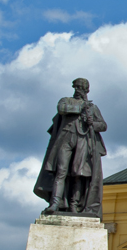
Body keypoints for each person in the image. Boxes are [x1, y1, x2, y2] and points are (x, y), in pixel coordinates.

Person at [34, 77, 108, 216]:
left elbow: (103, 125)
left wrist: (92, 123)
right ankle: (55, 203)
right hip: (66, 138)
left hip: (83, 140)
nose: (78, 90)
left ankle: (74, 206)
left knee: (79, 174)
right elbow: (62, 109)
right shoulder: (67, 101)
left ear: (87, 90)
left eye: (81, 88)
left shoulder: (92, 107)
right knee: (61, 171)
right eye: (76, 87)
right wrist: (81, 108)